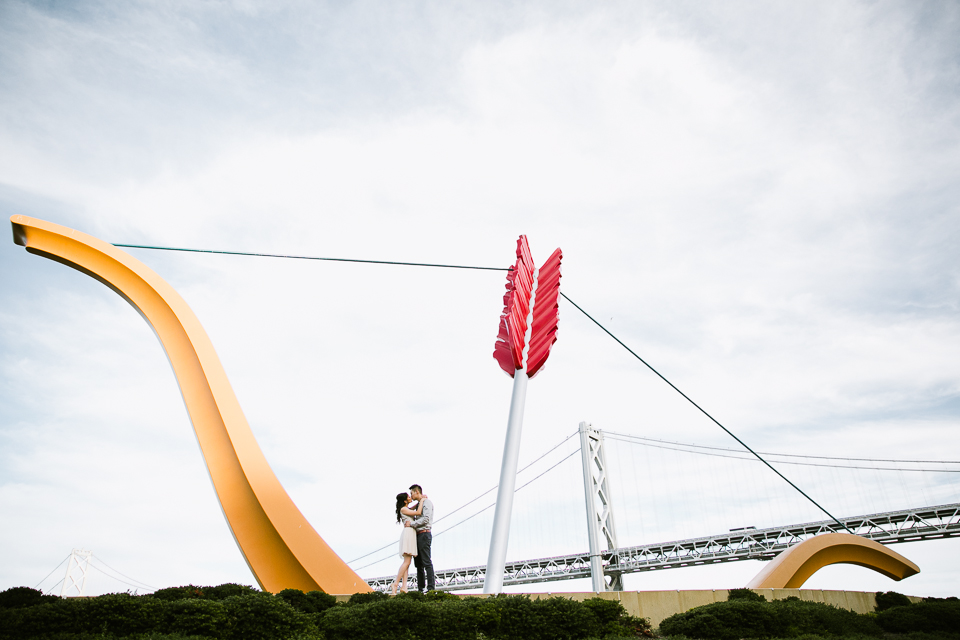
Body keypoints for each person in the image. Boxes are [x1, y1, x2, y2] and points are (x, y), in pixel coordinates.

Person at [390, 492, 424, 595]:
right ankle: (395, 584)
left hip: (410, 533)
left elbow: (413, 509)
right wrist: (422, 500)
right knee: (407, 562)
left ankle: (404, 586)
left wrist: (418, 503)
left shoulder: (406, 509)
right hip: (409, 533)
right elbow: (418, 512)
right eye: (408, 497)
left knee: (407, 562)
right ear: (405, 501)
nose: (410, 498)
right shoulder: (404, 509)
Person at [405, 483, 435, 592]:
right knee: (418, 564)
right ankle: (420, 589)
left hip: (424, 534)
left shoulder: (427, 503)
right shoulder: (419, 504)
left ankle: (431, 588)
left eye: (412, 493)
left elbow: (426, 519)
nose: (411, 496)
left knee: (426, 562)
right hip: (417, 536)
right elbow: (407, 509)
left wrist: (412, 524)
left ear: (417, 492)